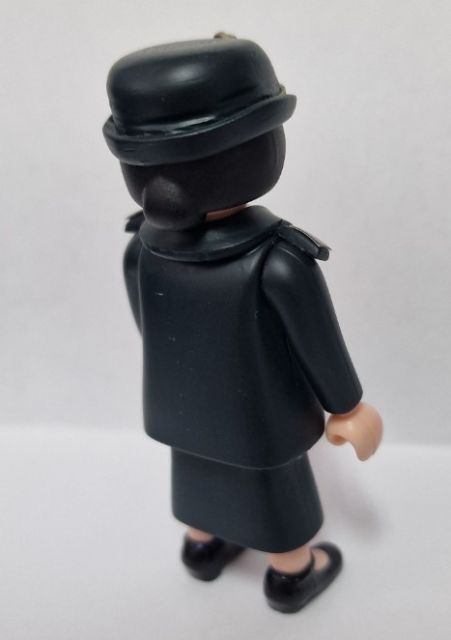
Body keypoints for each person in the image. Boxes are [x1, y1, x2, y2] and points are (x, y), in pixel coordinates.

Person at [103, 33, 383, 613]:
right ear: (258, 149)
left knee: (196, 467)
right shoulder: (278, 261)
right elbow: (317, 344)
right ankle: (291, 571)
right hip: (258, 413)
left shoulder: (140, 251)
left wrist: (183, 374)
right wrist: (348, 406)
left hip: (180, 402)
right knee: (273, 481)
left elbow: (147, 327)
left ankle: (201, 545)